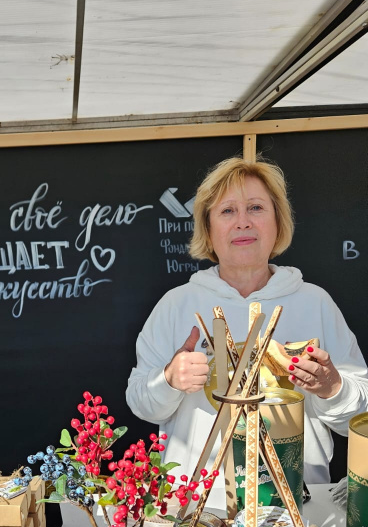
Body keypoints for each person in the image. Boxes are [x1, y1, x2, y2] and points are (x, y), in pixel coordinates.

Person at [126, 157, 368, 505]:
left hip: (296, 502)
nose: (243, 222)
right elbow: (141, 404)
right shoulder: (177, 305)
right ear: (208, 229)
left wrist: (333, 388)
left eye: (256, 208)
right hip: (199, 506)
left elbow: (359, 421)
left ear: (277, 222)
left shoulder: (315, 303)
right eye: (227, 211)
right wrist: (169, 379)